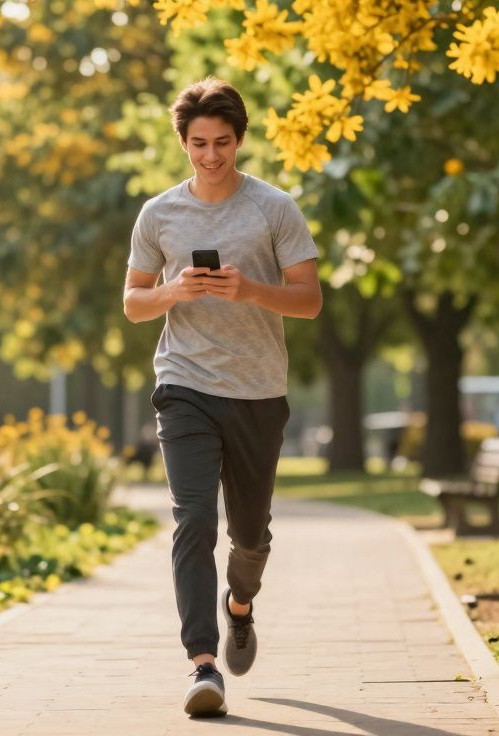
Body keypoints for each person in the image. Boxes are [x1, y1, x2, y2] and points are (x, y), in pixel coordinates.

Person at [121, 78, 321, 718]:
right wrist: (175, 291)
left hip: (259, 391)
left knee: (251, 535)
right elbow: (132, 303)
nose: (212, 156)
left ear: (240, 140)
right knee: (193, 519)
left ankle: (241, 606)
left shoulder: (274, 208)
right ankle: (203, 666)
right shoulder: (159, 214)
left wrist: (251, 291)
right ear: (182, 143)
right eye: (200, 144)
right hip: (184, 386)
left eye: (223, 143)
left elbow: (310, 300)